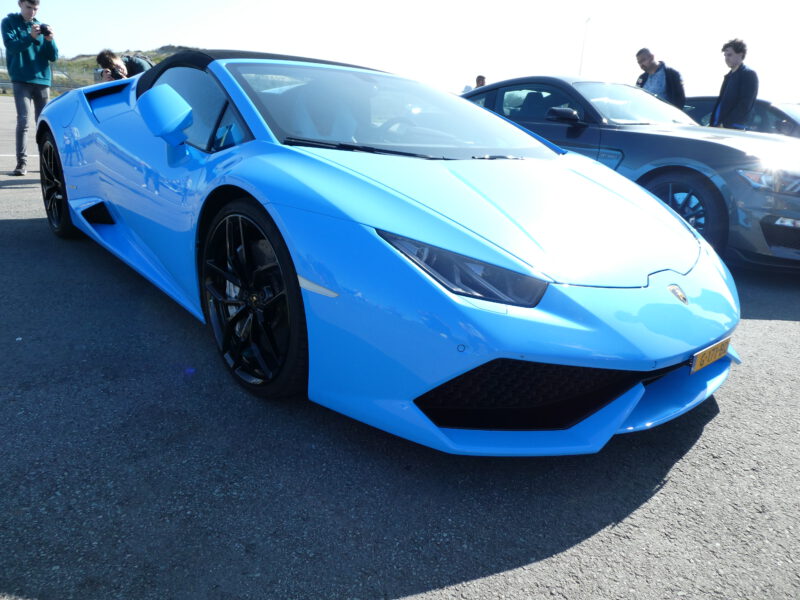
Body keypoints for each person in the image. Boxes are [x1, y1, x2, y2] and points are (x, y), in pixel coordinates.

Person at [2, 0, 58, 176]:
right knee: (23, 121)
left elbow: (53, 56)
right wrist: (30, 37)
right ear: (20, 4)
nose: (32, 12)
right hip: (21, 80)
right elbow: (11, 46)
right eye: (28, 7)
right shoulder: (8, 22)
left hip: (42, 80)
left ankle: (46, 164)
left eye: (35, 9)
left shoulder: (41, 27)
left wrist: (50, 40)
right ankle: (21, 163)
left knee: (43, 124)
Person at [709, 39, 758, 130]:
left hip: (732, 128)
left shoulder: (748, 74)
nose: (726, 58)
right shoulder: (729, 76)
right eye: (725, 55)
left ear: (740, 54)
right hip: (718, 127)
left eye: (730, 55)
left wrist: (725, 124)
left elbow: (745, 104)